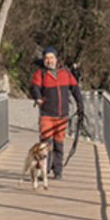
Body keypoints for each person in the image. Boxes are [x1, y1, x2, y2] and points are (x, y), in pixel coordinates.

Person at [30, 47, 85, 179]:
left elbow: (75, 89)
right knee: (45, 144)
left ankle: (58, 170)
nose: (49, 61)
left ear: (56, 58)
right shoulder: (41, 73)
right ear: (43, 59)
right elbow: (34, 87)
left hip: (62, 115)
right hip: (47, 114)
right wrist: (37, 97)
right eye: (46, 58)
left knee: (59, 143)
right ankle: (44, 170)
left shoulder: (65, 72)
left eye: (51, 58)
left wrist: (80, 105)